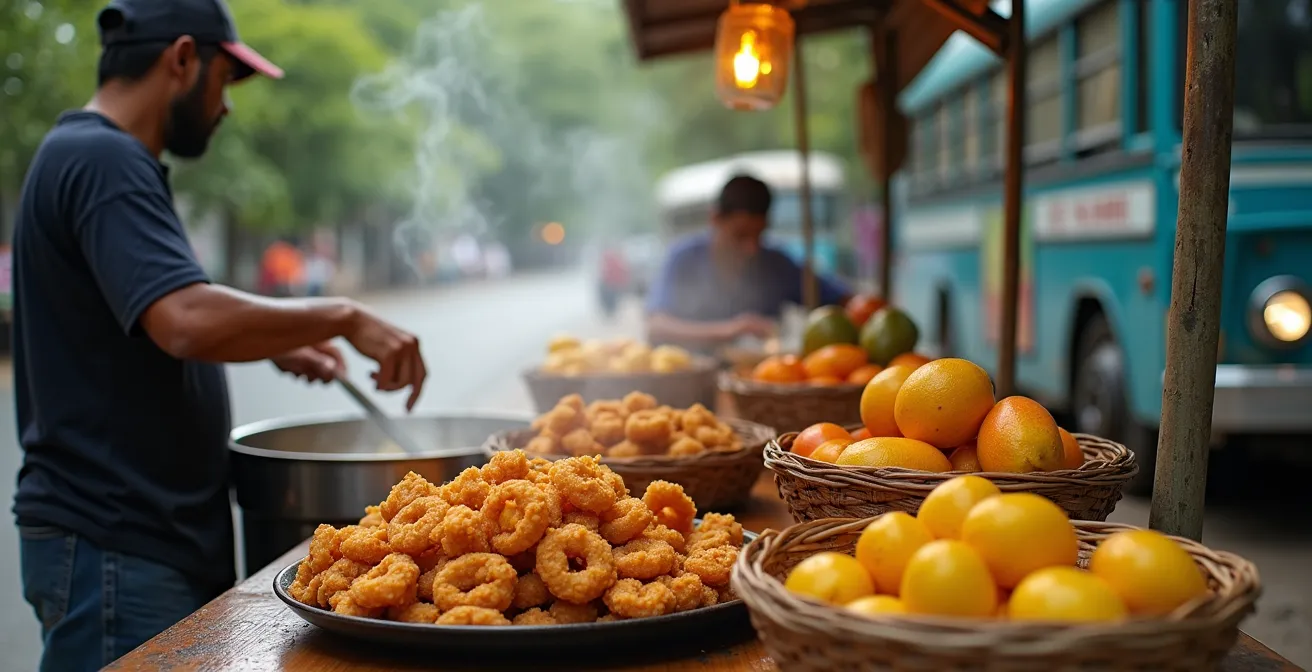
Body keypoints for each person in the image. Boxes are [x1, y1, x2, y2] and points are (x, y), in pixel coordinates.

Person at [8, 1, 428, 670]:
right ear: (180, 58)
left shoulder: (93, 156)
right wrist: (344, 317)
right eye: (224, 81)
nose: (226, 107)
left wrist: (273, 339)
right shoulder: (104, 159)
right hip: (119, 541)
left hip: (140, 539)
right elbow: (183, 320)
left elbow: (145, 320)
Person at [645, 174, 852, 354]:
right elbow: (656, 326)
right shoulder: (684, 258)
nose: (751, 248)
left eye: (759, 235)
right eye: (740, 236)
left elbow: (842, 299)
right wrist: (732, 329)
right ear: (716, 219)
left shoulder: (776, 264)